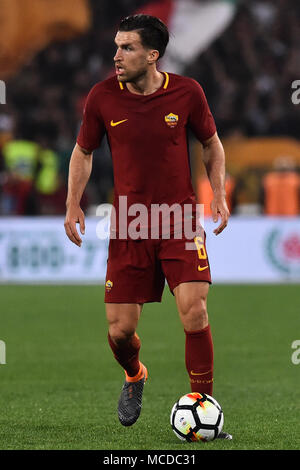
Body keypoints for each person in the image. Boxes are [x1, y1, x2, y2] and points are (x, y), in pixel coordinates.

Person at [64, 14, 231, 439]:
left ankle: (204, 408)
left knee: (195, 310)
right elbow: (83, 151)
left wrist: (220, 194)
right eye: (117, 46)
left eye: (127, 48)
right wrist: (72, 203)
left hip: (179, 218)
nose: (116, 55)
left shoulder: (187, 92)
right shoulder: (102, 97)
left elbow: (211, 143)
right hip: (130, 224)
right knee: (120, 332)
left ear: (152, 55)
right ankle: (135, 375)